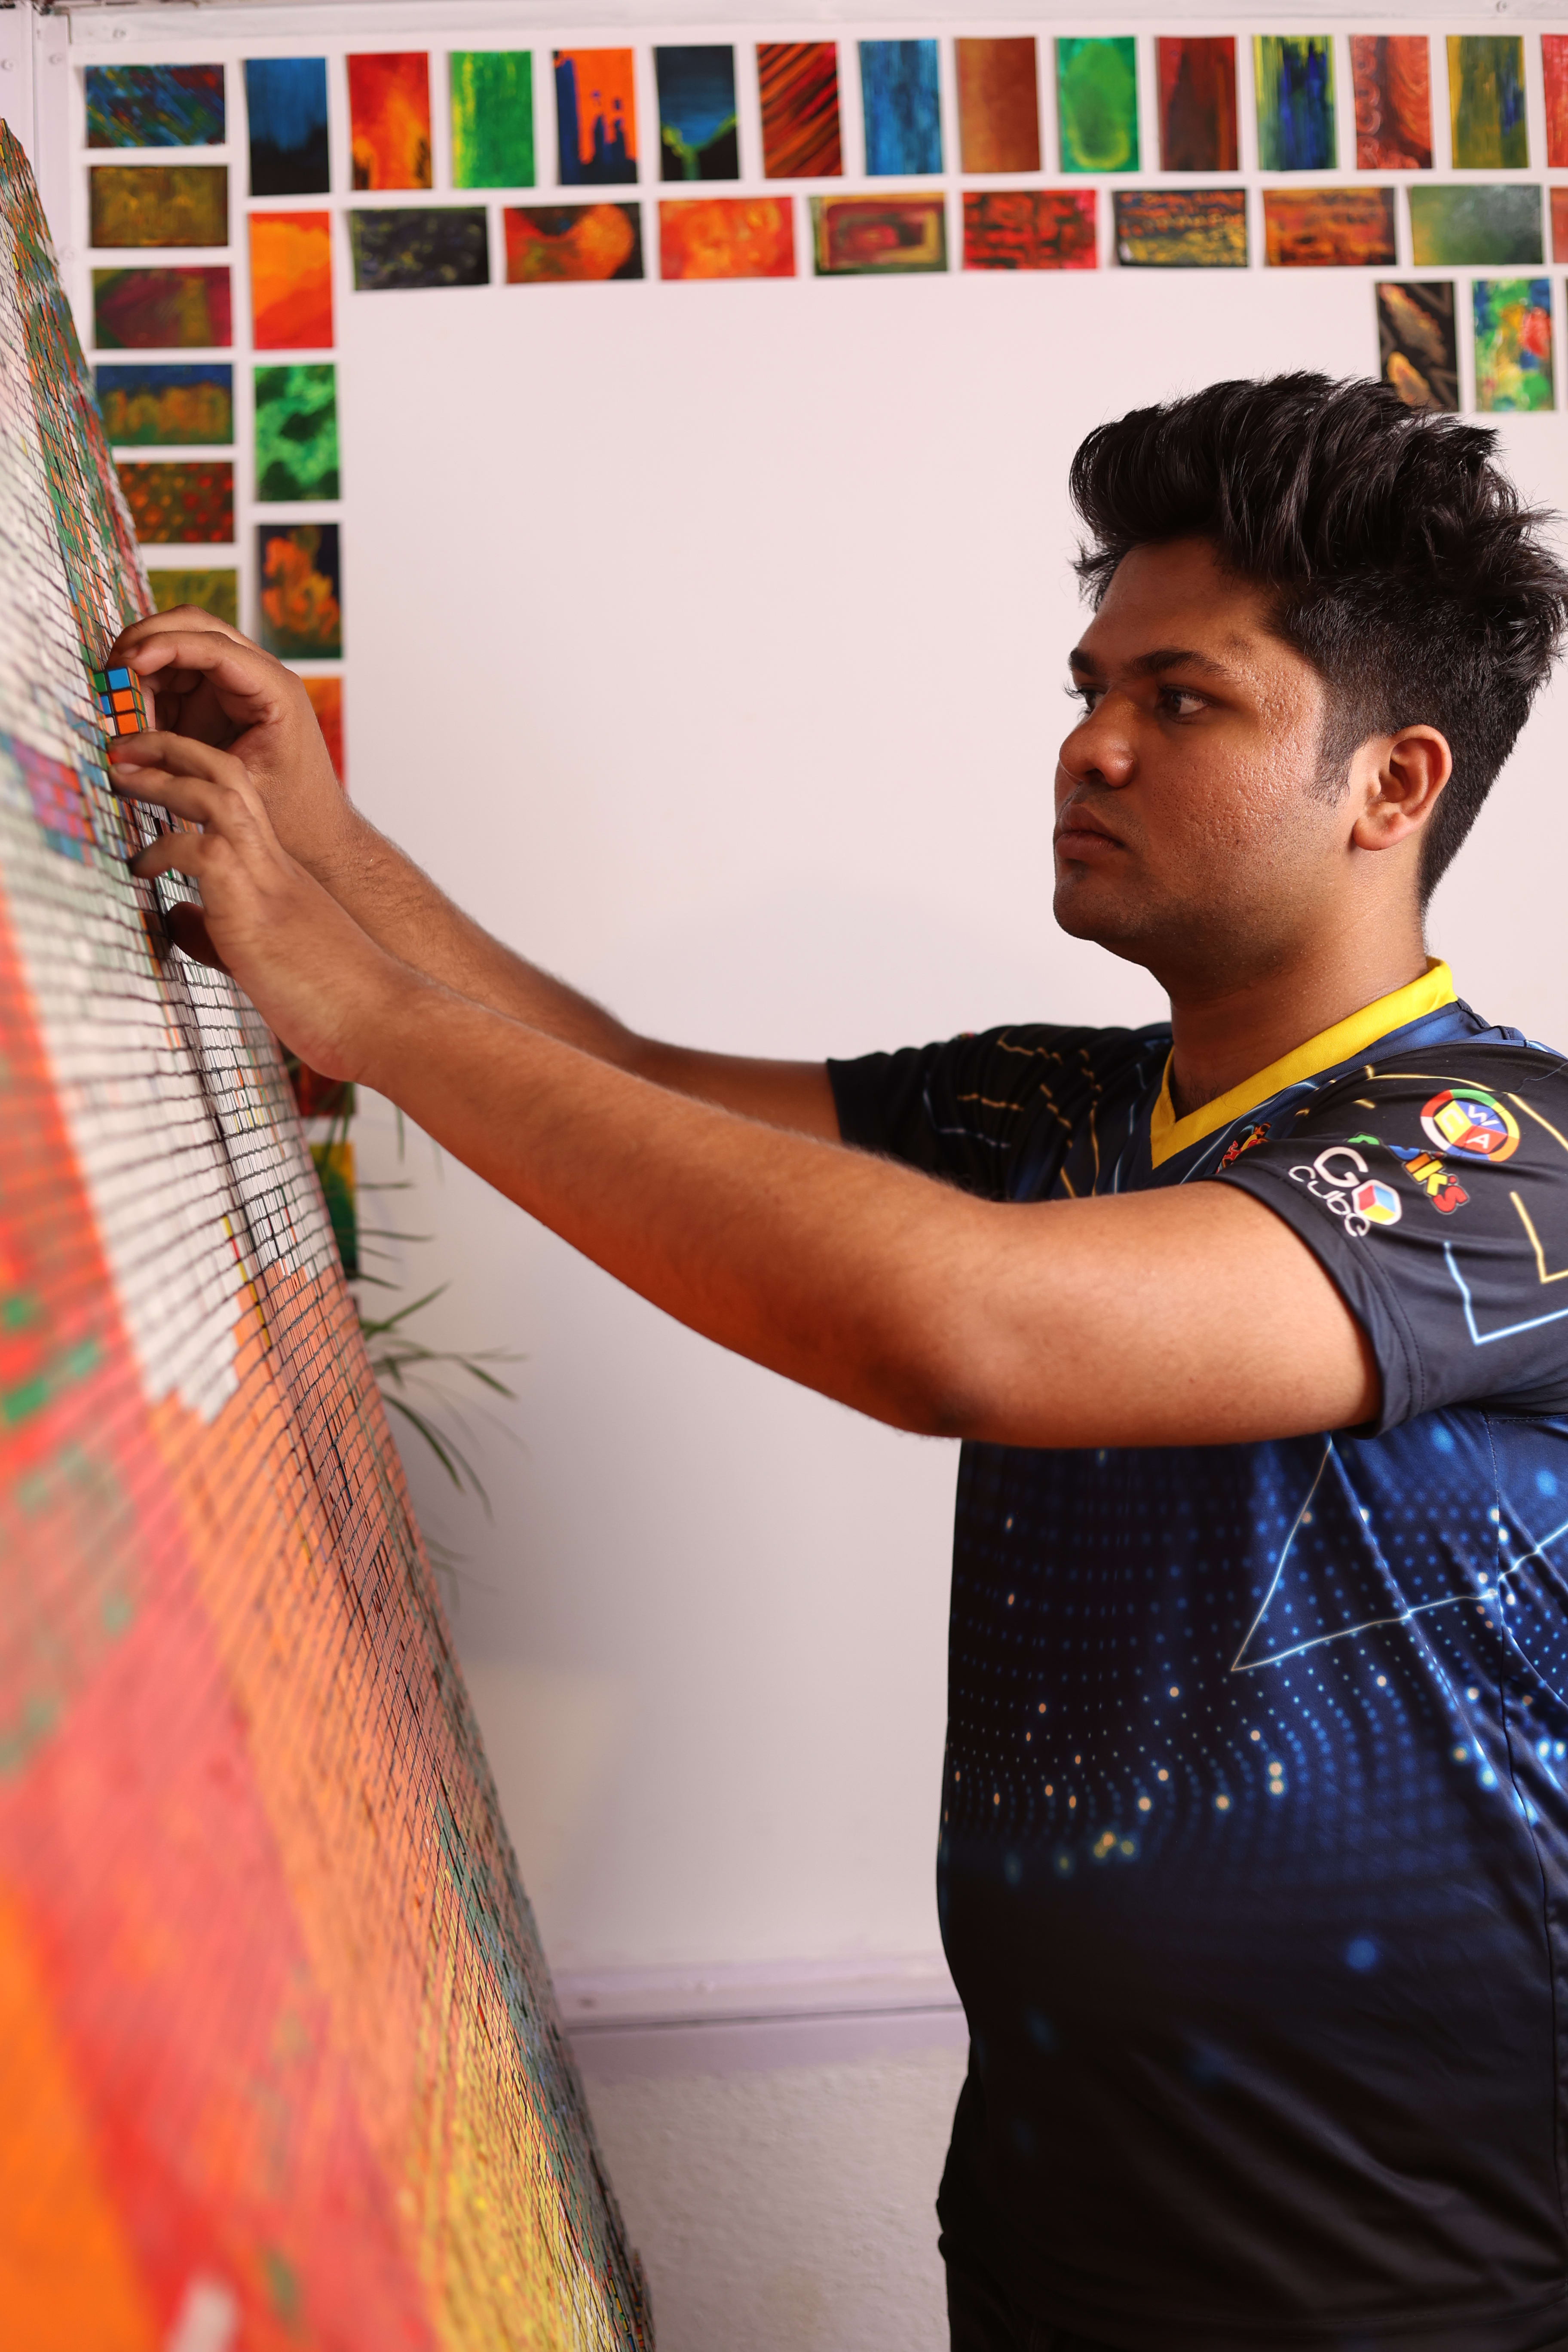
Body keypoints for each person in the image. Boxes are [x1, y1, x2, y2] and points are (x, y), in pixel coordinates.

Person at [106, 374, 1568, 2352]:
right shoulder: (1051, 1102)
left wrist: (355, 1002)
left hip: (1408, 2291)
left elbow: (960, 1326)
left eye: (1185, 701)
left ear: (1392, 786)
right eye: (1093, 685)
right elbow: (614, 1082)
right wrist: (321, 833)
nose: (1093, 744)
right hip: (1049, 2219)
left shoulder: (1511, 1160)